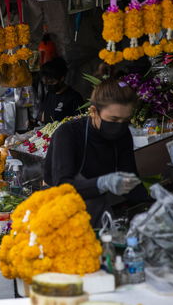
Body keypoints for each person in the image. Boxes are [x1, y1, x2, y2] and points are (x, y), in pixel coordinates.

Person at [44, 79, 150, 227]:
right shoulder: (68, 133)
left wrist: (152, 206)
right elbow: (63, 186)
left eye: (125, 120)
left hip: (97, 205)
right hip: (61, 211)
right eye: (113, 119)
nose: (119, 126)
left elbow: (130, 179)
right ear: (94, 111)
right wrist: (103, 183)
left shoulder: (123, 135)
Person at [39, 57, 84, 123]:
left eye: (52, 82)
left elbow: (80, 122)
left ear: (62, 78)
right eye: (46, 83)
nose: (48, 86)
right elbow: (43, 117)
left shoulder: (74, 97)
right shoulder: (49, 94)